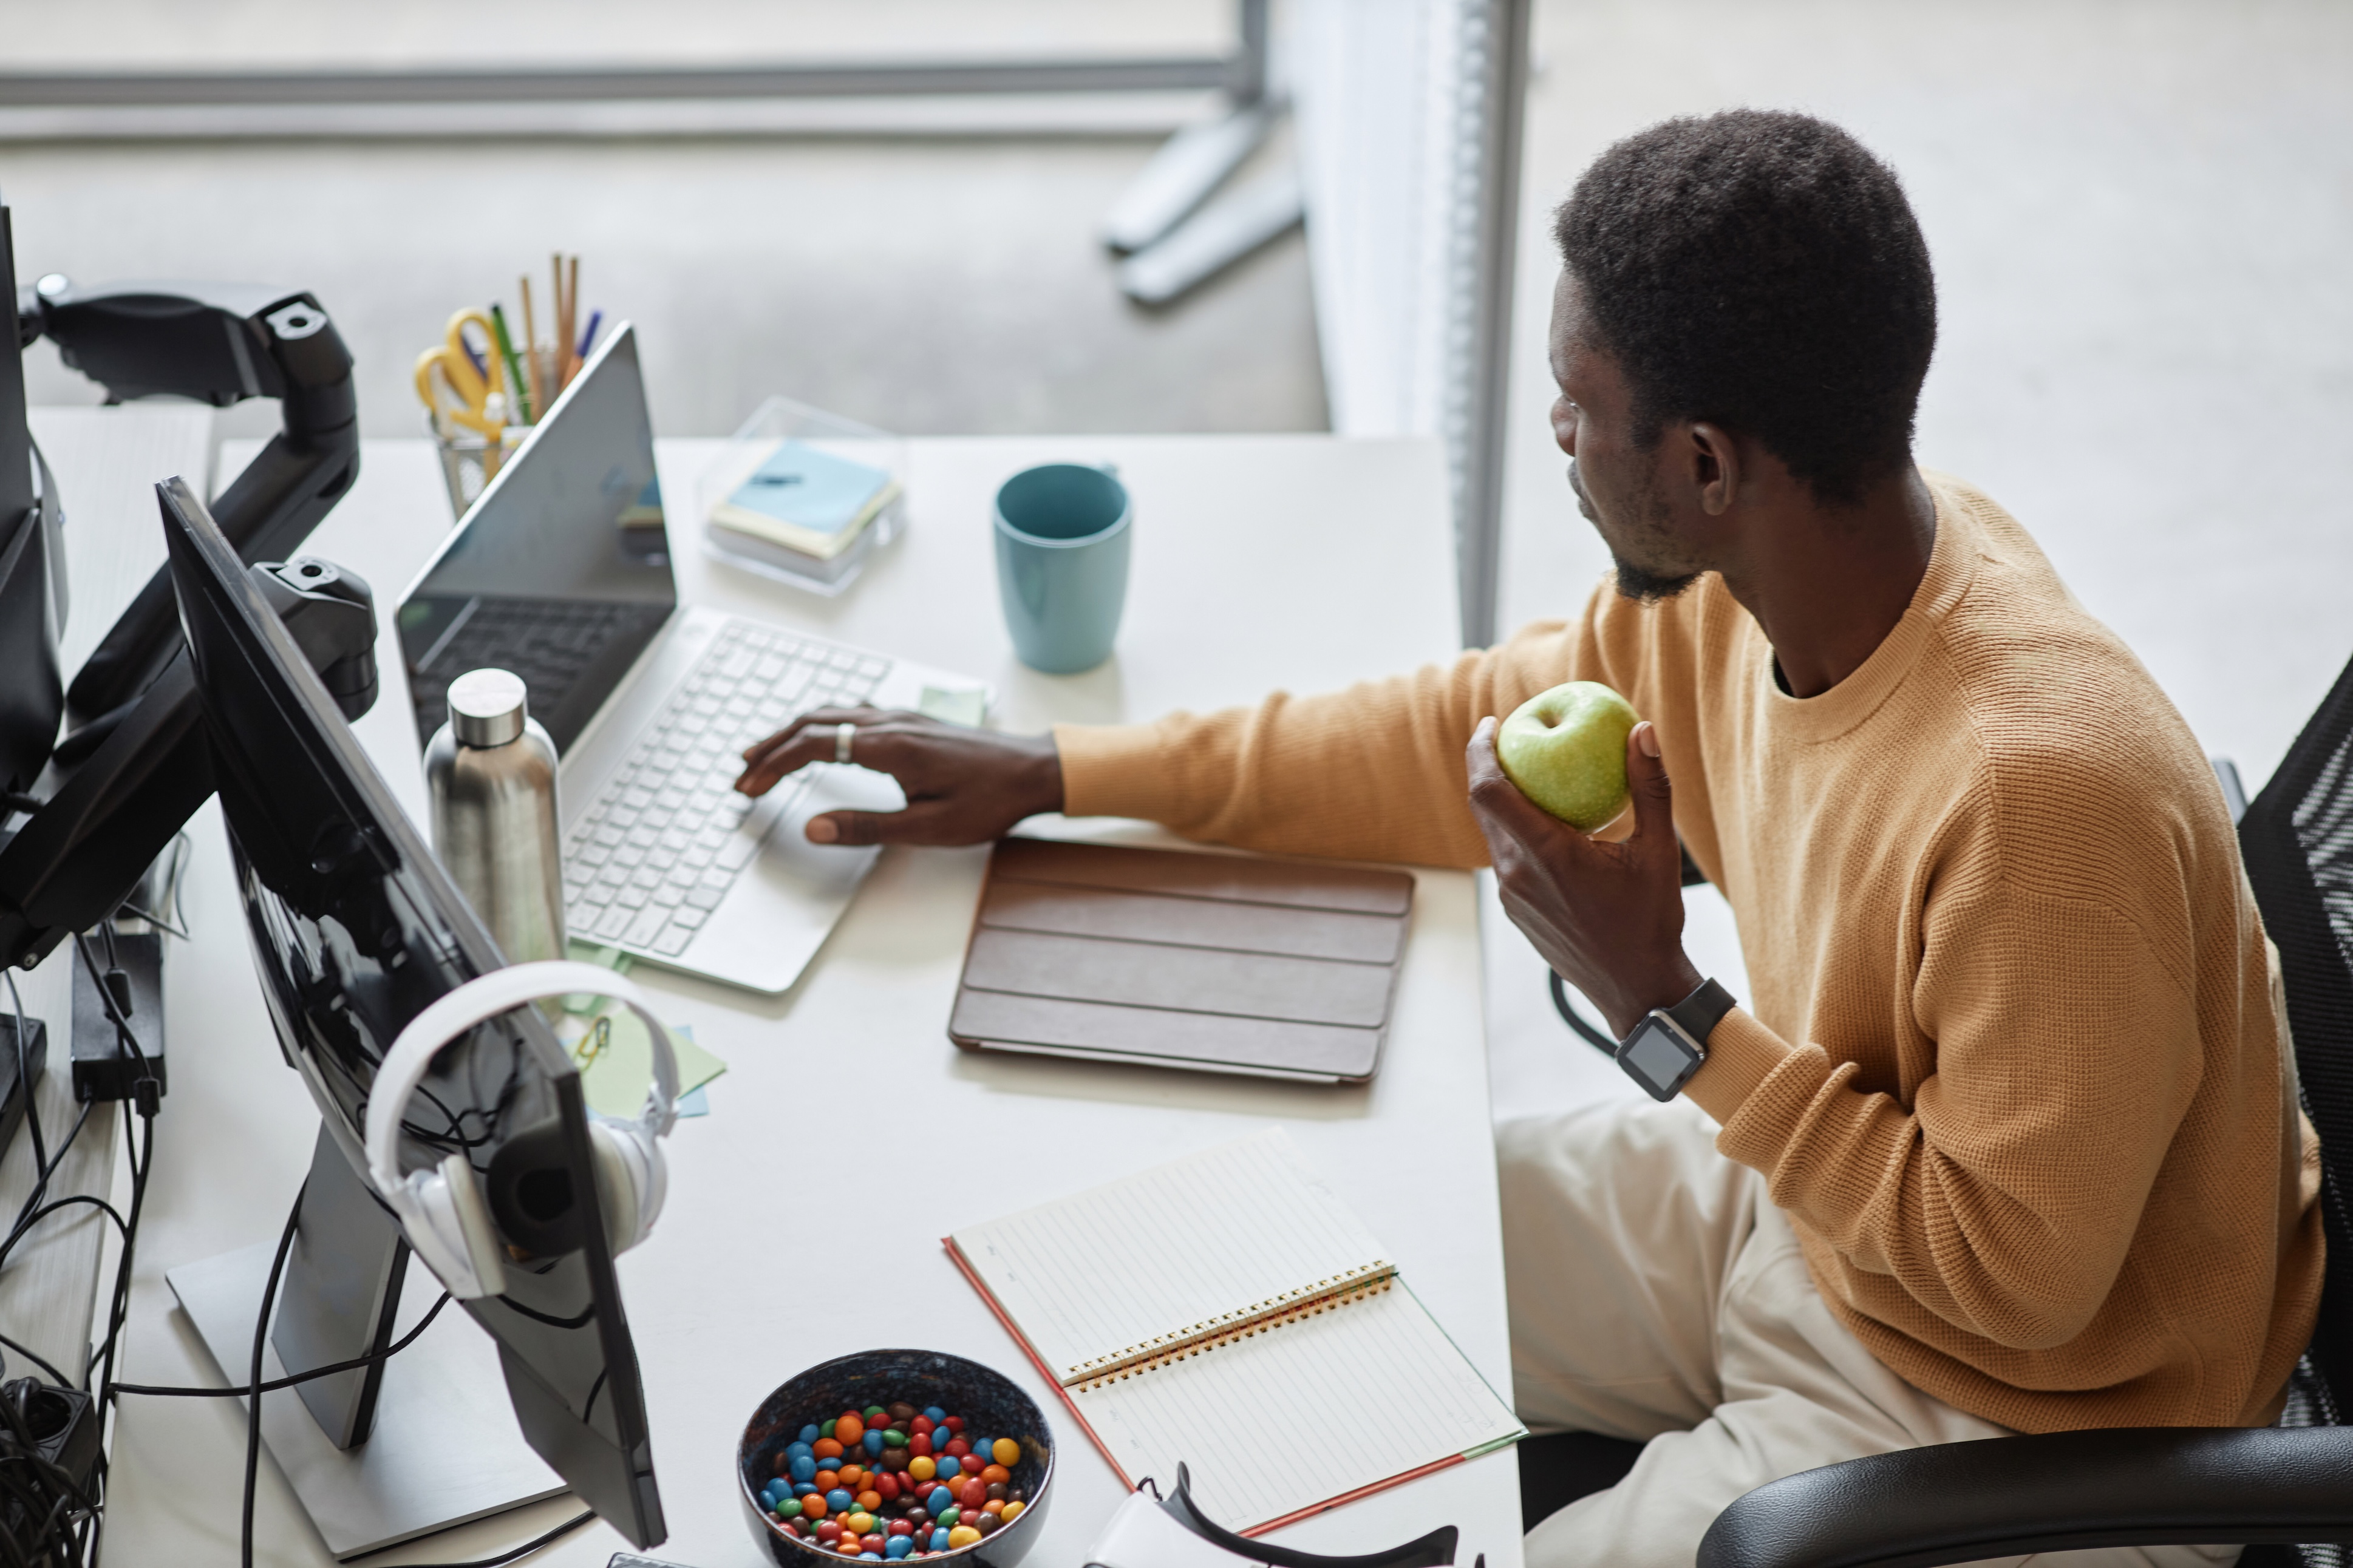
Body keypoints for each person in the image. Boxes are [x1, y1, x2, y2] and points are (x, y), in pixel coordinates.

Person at [735, 109, 2321, 1568]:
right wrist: (1062, 768)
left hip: (2020, 1416)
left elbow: (2014, 1279)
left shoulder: (2042, 798)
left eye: (1578, 410)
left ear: (1703, 466)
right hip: (1803, 1222)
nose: (1556, 435)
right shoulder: (1750, 584)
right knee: (1272, 1275)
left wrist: (1669, 1012)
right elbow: (1457, 735)